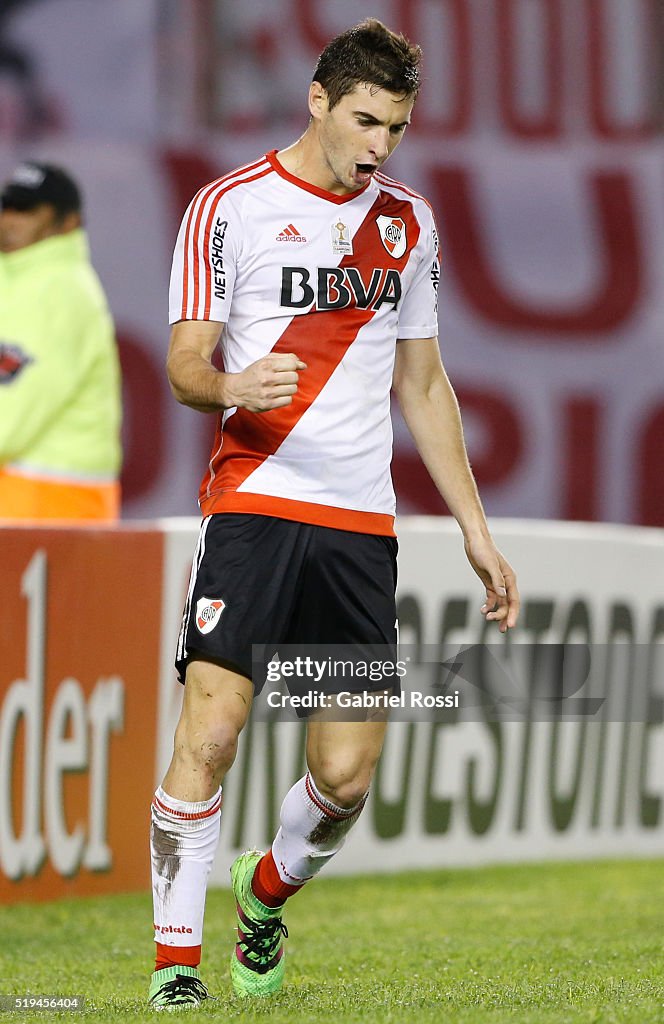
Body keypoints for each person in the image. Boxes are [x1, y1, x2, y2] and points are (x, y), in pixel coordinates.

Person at [149, 18, 520, 1009]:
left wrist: (477, 532)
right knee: (212, 730)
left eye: (395, 129)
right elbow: (184, 364)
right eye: (365, 121)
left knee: (346, 775)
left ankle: (263, 895)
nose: (378, 146)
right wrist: (234, 381)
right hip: (254, 505)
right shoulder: (226, 207)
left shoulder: (407, 222)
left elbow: (426, 385)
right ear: (317, 100)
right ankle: (174, 969)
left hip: (359, 526)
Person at [0, 161, 122, 520]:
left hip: (50, 499)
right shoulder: (22, 281)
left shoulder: (59, 290)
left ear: (68, 222)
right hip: (33, 492)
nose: (9, 219)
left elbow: (13, 410)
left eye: (27, 210)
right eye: (6, 206)